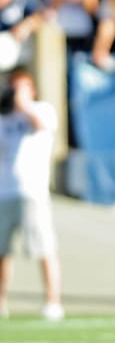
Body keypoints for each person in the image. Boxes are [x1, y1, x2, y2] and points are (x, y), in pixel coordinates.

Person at [0, 68, 64, 321]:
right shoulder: (3, 118)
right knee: (2, 253)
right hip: (4, 191)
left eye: (21, 86)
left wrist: (23, 104)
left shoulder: (43, 110)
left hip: (32, 191)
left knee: (43, 247)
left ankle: (53, 301)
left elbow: (39, 125)